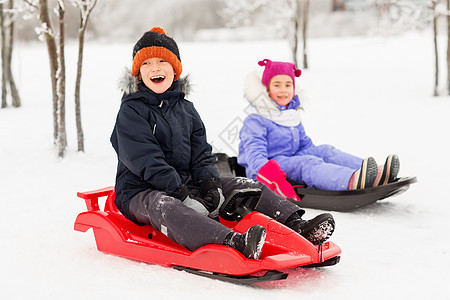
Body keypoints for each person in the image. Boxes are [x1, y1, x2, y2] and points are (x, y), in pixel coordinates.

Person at [110, 28, 335, 260]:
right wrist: (180, 193)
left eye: (162, 61)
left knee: (246, 185)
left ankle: (297, 225)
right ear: (138, 72)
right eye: (146, 63)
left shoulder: (186, 109)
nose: (155, 67)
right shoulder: (131, 111)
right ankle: (234, 242)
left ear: (175, 69)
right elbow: (145, 160)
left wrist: (211, 184)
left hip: (187, 183)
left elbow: (201, 153)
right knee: (166, 206)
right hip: (140, 190)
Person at [238, 59, 400, 200]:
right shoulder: (256, 119)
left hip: (290, 160)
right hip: (267, 169)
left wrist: (319, 154)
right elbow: (255, 157)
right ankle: (351, 179)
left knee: (325, 150)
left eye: (288, 85)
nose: (283, 90)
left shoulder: (290, 115)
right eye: (277, 85)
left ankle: (372, 173)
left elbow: (305, 146)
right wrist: (272, 177)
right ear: (266, 90)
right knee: (307, 163)